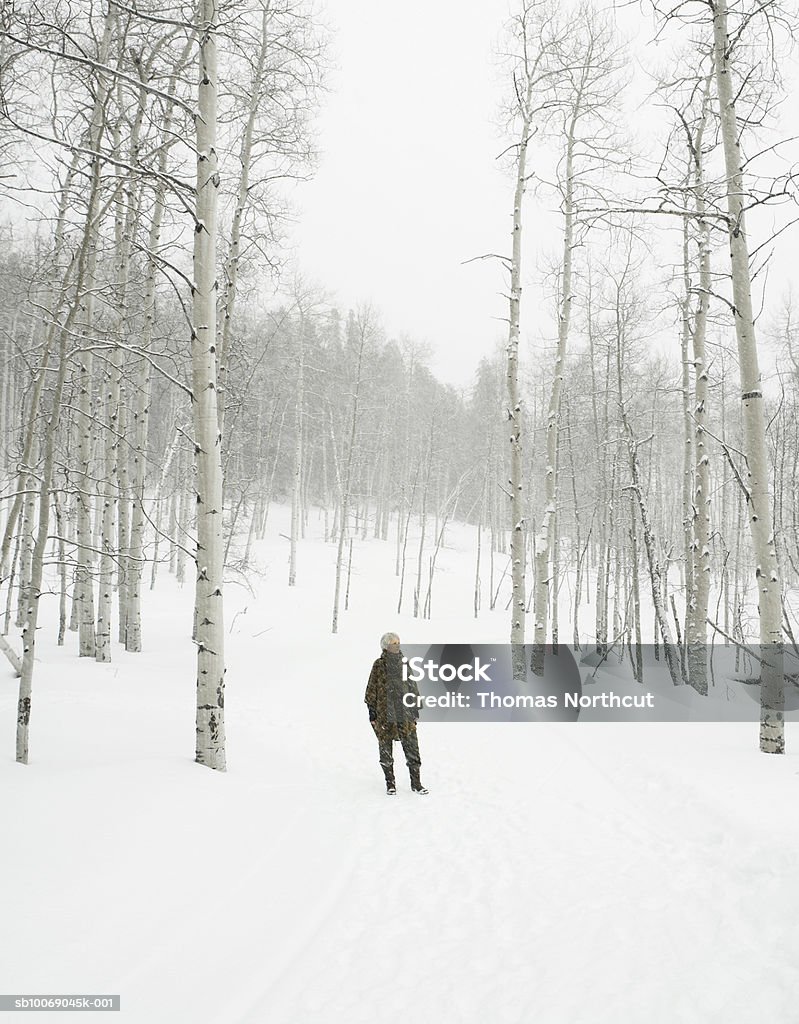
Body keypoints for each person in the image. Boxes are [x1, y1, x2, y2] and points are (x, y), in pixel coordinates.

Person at [364, 632, 429, 795]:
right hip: (384, 714)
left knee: (412, 748)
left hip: (405, 713)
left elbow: (412, 687)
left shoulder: (405, 664)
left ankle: (416, 783)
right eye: (394, 643)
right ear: (386, 646)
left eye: (398, 642)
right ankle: (390, 784)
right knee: (385, 750)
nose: (397, 645)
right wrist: (372, 713)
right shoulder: (378, 665)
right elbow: (371, 689)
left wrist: (415, 710)